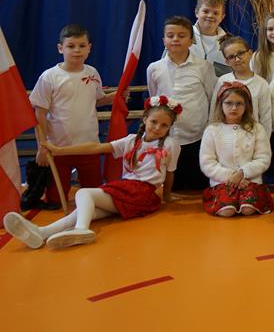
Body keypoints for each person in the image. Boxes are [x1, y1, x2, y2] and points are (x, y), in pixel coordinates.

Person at [5, 96, 181, 250]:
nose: (157, 127)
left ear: (170, 128)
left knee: (84, 193)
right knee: (88, 210)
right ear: (145, 119)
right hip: (128, 192)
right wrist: (59, 150)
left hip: (142, 194)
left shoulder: (170, 145)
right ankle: (41, 232)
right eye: (154, 122)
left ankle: (81, 229)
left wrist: (167, 196)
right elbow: (95, 147)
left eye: (164, 125)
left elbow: (170, 173)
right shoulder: (130, 141)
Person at [29, 23, 119, 208]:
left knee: (95, 197)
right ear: (60, 48)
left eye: (82, 46)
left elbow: (96, 100)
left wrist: (114, 97)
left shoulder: (92, 72)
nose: (77, 50)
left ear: (89, 48)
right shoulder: (49, 77)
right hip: (59, 147)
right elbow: (40, 113)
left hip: (89, 146)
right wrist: (42, 147)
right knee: (56, 201)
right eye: (71, 46)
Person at [147, 16, 215, 191]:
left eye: (181, 35)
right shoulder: (154, 68)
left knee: (198, 188)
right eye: (170, 36)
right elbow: (154, 96)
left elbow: (211, 97)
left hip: (196, 137)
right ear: (164, 40)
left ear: (191, 40)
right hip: (168, 137)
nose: (175, 39)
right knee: (172, 187)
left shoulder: (203, 67)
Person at [199, 83, 273, 217]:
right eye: (228, 103)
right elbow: (207, 163)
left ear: (246, 106)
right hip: (223, 182)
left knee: (247, 209)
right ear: (220, 105)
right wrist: (231, 176)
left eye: (239, 104)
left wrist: (243, 173)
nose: (234, 108)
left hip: (250, 181)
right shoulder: (212, 130)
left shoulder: (256, 128)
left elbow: (263, 159)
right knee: (227, 211)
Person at [211, 36, 272, 139]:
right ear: (227, 62)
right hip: (225, 138)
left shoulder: (261, 84)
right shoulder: (222, 81)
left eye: (240, 53)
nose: (237, 59)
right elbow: (214, 111)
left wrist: (263, 142)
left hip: (251, 138)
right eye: (231, 57)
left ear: (250, 53)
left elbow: (266, 118)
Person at [190, 0, 231, 76]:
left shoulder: (228, 42)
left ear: (222, 17)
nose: (210, 15)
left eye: (216, 13)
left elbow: (232, 73)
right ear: (196, 12)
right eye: (206, 11)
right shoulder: (182, 36)